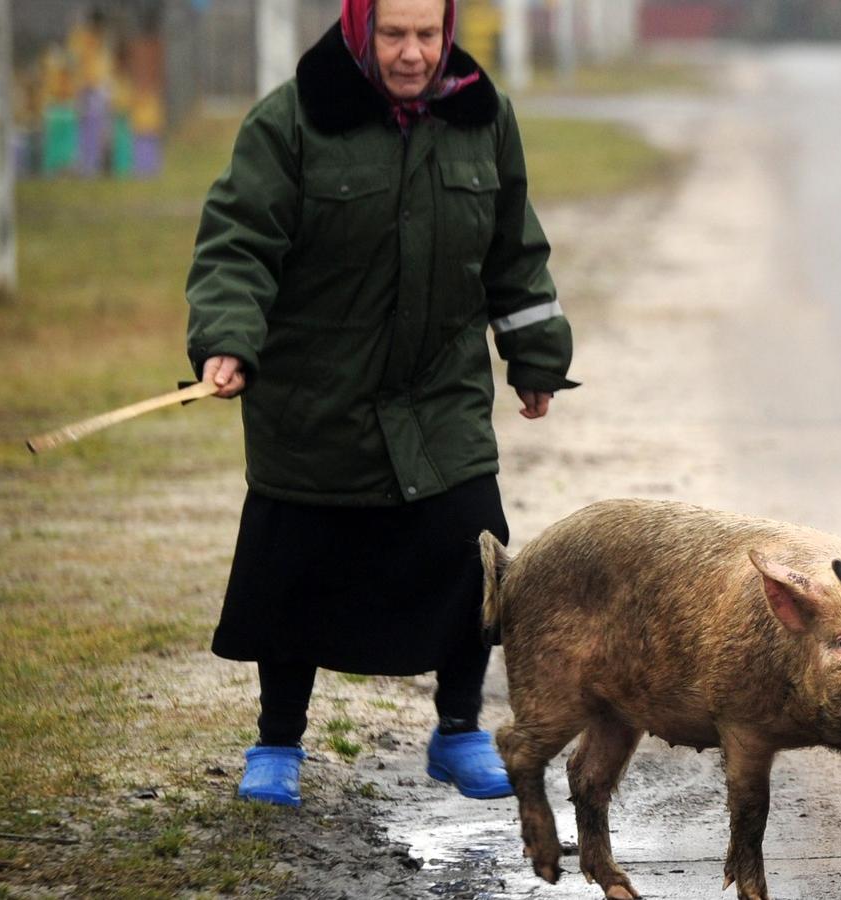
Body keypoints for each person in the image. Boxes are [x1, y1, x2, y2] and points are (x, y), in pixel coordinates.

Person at [185, 0, 576, 808]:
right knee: (297, 566)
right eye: (393, 35)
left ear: (448, 29)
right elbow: (238, 241)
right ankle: (278, 745)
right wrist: (228, 339)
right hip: (318, 393)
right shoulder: (291, 120)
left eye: (427, 35)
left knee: (473, 556)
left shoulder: (484, 117)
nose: (411, 54)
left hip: (439, 395)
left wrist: (536, 354)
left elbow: (514, 248)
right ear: (360, 28)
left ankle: (460, 729)